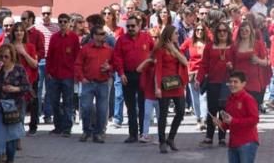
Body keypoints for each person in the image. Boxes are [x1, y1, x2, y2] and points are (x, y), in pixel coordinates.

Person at [217, 71, 260, 163]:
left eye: (236, 82)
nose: (232, 85)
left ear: (243, 84)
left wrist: (232, 121)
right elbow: (229, 122)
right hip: (234, 142)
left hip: (247, 142)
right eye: (231, 82)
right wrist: (221, 124)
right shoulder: (230, 100)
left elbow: (254, 119)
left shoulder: (248, 99)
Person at [114, 14, 153, 143]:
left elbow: (154, 53)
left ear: (139, 25)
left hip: (143, 76)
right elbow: (117, 57)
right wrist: (121, 73)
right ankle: (132, 134)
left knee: (143, 105)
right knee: (130, 106)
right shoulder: (121, 40)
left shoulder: (147, 37)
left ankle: (143, 133)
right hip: (127, 75)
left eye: (133, 26)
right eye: (128, 26)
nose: (130, 28)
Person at [74, 25, 114, 143]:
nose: (104, 36)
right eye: (101, 34)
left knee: (102, 110)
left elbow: (115, 65)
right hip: (88, 82)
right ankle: (86, 131)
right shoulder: (85, 49)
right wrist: (82, 78)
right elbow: (78, 64)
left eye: (104, 34)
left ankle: (98, 133)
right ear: (94, 36)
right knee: (86, 108)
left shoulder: (109, 50)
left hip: (103, 83)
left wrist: (109, 68)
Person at [153, 25, 188, 154]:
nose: (177, 36)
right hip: (164, 84)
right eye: (175, 34)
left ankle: (171, 138)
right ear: (169, 35)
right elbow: (158, 69)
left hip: (177, 83)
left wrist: (174, 49)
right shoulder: (160, 50)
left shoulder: (177, 48)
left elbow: (185, 62)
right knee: (163, 114)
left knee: (180, 112)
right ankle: (162, 141)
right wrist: (157, 87)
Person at [46, 14, 79, 136]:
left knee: (68, 102)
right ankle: (57, 126)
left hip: (68, 75)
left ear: (69, 23)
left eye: (65, 21)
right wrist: (48, 71)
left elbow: (77, 56)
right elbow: (49, 56)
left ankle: (67, 128)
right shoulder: (54, 37)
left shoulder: (74, 38)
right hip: (54, 75)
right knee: (54, 101)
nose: (63, 24)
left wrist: (76, 74)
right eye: (61, 21)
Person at [229, 19, 270, 108]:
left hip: (253, 81)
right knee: (239, 108)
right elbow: (231, 62)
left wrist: (258, 60)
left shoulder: (258, 44)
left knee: (252, 108)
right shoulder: (235, 46)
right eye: (242, 30)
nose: (244, 32)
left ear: (251, 31)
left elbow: (266, 62)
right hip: (239, 81)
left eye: (246, 30)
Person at [20, 11, 46, 133]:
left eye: (24, 18)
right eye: (22, 18)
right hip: (19, 71)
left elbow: (41, 52)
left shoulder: (37, 34)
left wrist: (32, 57)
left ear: (31, 20)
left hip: (32, 70)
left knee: (33, 98)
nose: (22, 20)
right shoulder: (18, 33)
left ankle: (33, 125)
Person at [181, 21, 209, 131]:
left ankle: (204, 118)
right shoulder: (189, 41)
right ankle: (198, 118)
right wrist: (185, 62)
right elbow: (180, 50)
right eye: (198, 29)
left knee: (204, 97)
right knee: (195, 97)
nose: (200, 32)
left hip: (205, 73)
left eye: (202, 30)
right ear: (194, 31)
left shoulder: (208, 42)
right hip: (192, 72)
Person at [34, 6, 58, 124]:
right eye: (44, 13)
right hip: (40, 60)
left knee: (50, 89)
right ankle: (37, 114)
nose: (46, 16)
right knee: (38, 88)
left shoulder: (56, 28)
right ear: (41, 14)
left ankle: (48, 115)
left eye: (48, 13)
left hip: (51, 61)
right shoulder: (36, 28)